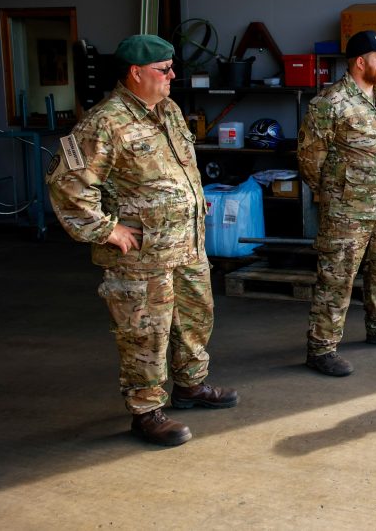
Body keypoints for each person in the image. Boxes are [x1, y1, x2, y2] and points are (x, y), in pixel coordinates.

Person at [46, 34, 237, 448]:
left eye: (171, 68)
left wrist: (193, 198)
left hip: (186, 245)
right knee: (144, 333)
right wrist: (105, 229)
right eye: (163, 70)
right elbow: (68, 185)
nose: (172, 76)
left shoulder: (166, 110)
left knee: (195, 318)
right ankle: (146, 411)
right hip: (142, 257)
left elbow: (179, 166)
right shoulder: (102, 123)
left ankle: (190, 386)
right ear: (135, 72)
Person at [298, 30, 376, 377]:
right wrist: (337, 194)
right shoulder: (330, 103)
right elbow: (309, 160)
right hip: (346, 212)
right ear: (360, 62)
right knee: (336, 279)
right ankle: (321, 348)